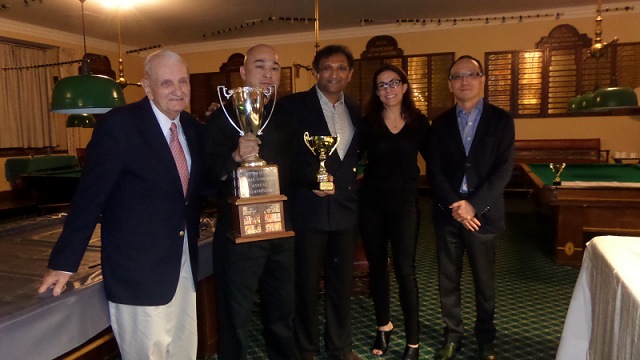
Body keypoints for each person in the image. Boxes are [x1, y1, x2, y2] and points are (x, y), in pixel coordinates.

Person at [37, 49, 204, 359]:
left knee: (184, 350)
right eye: (167, 83)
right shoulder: (120, 126)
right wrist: (64, 262)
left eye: (183, 81)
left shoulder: (192, 129)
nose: (178, 90)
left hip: (183, 267)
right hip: (137, 274)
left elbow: (199, 189)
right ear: (147, 86)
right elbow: (90, 196)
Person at [204, 44, 298, 360]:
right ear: (243, 73)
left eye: (274, 66)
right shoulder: (222, 120)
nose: (268, 73)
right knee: (235, 315)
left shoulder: (286, 117)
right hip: (238, 235)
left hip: (279, 231)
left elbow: (298, 171)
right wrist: (234, 155)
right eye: (260, 66)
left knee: (283, 310)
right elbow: (207, 178)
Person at [427, 55, 515, 360]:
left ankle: (486, 338)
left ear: (482, 79)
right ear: (450, 84)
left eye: (471, 74)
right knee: (447, 281)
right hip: (449, 215)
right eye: (457, 76)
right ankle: (453, 336)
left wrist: (473, 206)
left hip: (484, 216)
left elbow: (503, 170)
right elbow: (435, 170)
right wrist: (457, 205)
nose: (464, 81)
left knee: (484, 283)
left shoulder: (501, 120)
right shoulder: (438, 124)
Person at [279, 44, 361, 360]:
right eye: (327, 67)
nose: (334, 73)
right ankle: (306, 348)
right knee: (305, 284)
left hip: (344, 213)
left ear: (350, 73)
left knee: (342, 284)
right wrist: (309, 179)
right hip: (307, 210)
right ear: (315, 71)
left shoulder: (356, 109)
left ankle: (340, 346)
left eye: (341, 67)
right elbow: (283, 158)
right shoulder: (292, 107)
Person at [359, 64, 429, 360]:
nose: (388, 89)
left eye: (393, 83)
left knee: (405, 270)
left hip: (404, 206)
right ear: (376, 92)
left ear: (404, 86)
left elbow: (437, 160)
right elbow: (350, 159)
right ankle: (383, 325)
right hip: (372, 206)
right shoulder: (369, 123)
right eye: (381, 85)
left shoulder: (418, 122)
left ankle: (412, 341)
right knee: (377, 269)